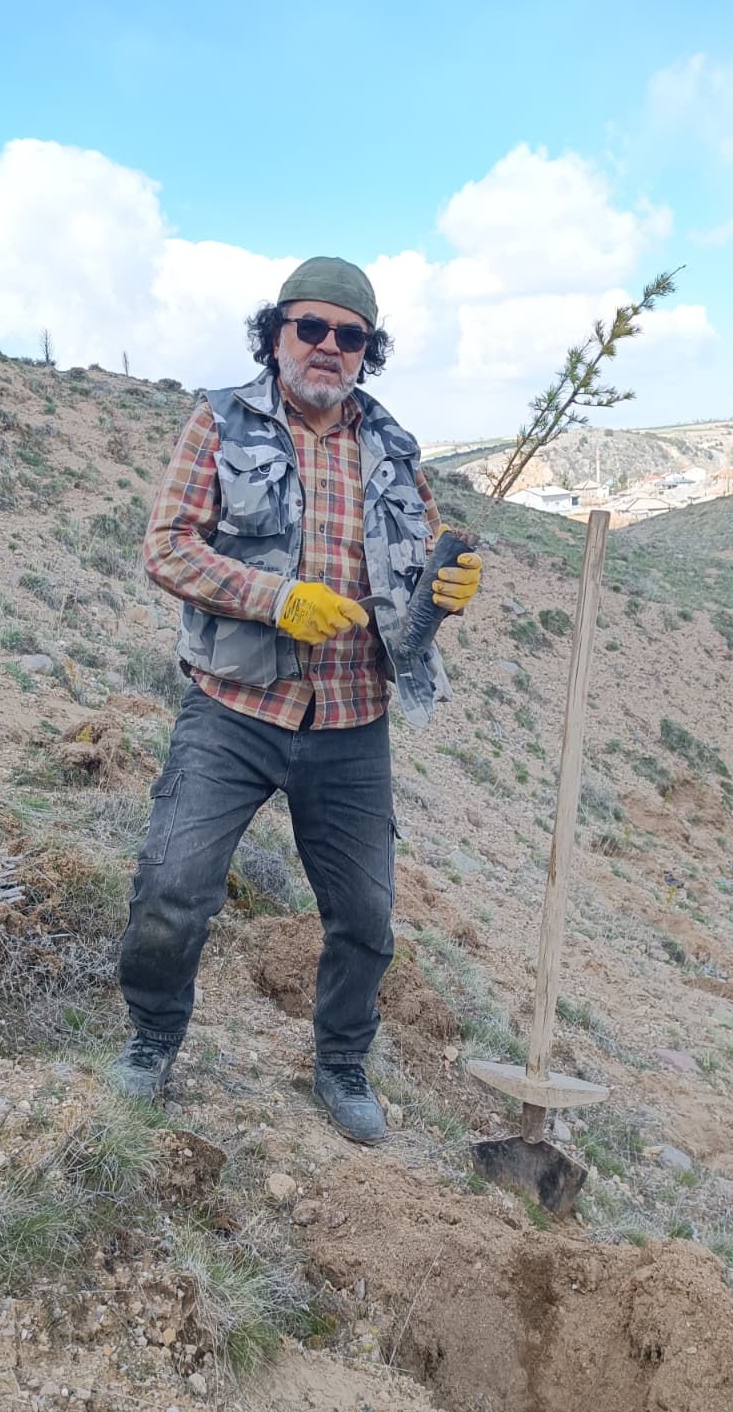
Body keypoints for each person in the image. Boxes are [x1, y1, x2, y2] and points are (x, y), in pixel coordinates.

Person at [112, 257, 483, 1142]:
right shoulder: (219, 421)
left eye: (348, 335)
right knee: (173, 889)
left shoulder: (394, 447)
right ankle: (152, 1041)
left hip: (355, 718)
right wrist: (276, 599)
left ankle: (341, 1065)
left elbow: (421, 556)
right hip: (236, 708)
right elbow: (166, 548)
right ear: (275, 332)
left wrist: (449, 584)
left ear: (367, 350)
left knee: (364, 918)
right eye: (309, 327)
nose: (327, 346)